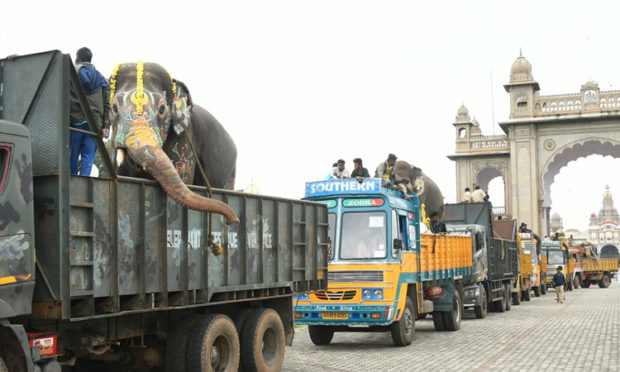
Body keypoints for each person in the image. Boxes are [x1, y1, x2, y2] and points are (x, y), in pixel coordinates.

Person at [69, 47, 110, 176]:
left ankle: (72, 178)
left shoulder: (71, 73)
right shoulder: (103, 80)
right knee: (88, 157)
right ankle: (84, 182)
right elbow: (107, 105)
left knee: (72, 155)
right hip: (95, 123)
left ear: (78, 59)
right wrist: (105, 126)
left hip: (75, 121)